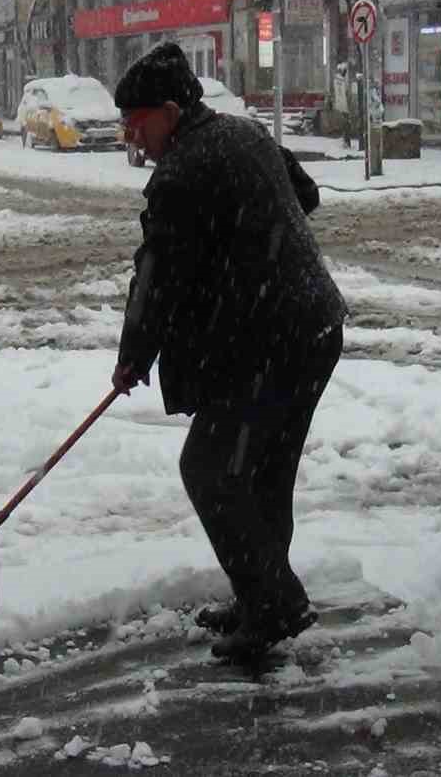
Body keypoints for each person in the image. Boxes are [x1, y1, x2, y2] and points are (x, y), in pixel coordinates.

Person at [111, 42, 347, 662]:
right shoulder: (242, 135)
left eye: (137, 121)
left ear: (168, 109)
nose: (132, 134)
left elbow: (157, 276)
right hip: (311, 326)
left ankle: (275, 603)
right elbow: (307, 194)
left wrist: (134, 354)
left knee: (211, 469)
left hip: (271, 339)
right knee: (263, 472)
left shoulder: (183, 171)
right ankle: (259, 596)